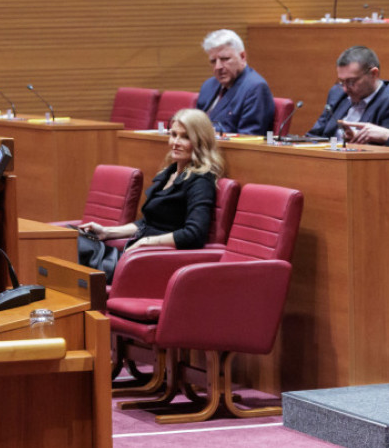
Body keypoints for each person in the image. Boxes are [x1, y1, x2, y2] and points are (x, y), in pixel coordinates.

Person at [78, 108, 222, 279]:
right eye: (173, 134)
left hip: (151, 262)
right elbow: (147, 223)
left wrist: (146, 243)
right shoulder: (168, 173)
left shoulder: (200, 181)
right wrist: (107, 232)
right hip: (132, 255)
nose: (175, 142)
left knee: (73, 245)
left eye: (184, 137)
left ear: (200, 141)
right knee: (70, 235)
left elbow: (194, 234)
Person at [308, 45, 389, 138]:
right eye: (342, 81)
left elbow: (385, 149)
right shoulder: (337, 93)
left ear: (374, 74)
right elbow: (314, 135)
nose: (345, 89)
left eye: (351, 81)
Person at [195, 29, 275, 135]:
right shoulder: (208, 85)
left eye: (225, 59)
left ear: (242, 57)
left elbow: (249, 137)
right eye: (213, 61)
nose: (218, 67)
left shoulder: (255, 88)